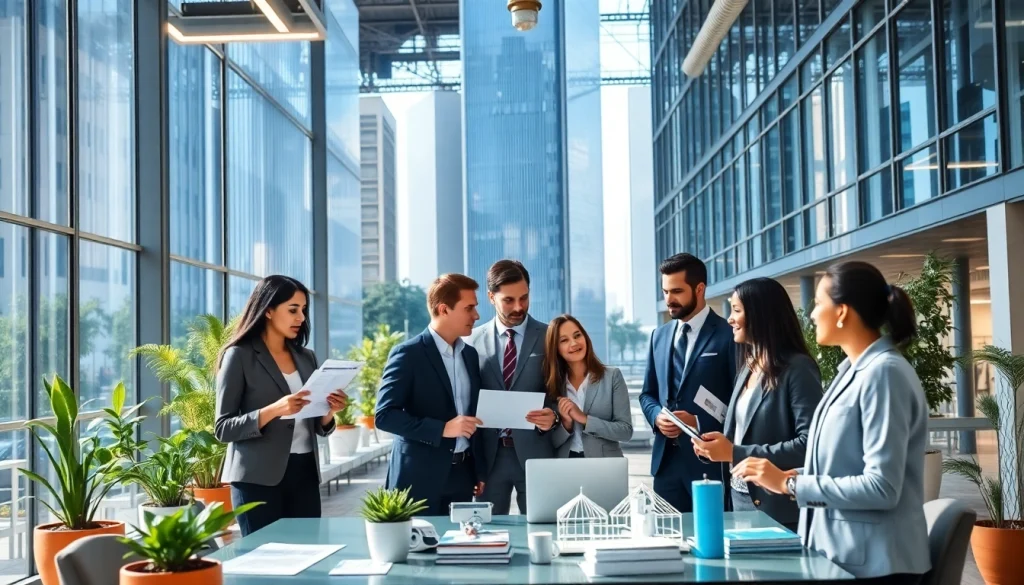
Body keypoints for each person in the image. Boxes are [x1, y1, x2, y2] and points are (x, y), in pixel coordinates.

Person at [732, 261, 930, 584]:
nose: (811, 315)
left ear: (842, 312)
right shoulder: (850, 372)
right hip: (845, 557)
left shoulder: (884, 374)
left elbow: (883, 487)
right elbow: (839, 465)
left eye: (818, 304)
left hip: (878, 566)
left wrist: (791, 485)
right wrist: (787, 475)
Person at [215, 275, 349, 537]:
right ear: (268, 310)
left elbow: (319, 426)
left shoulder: (306, 357)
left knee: (308, 556)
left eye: (303, 310)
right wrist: (275, 410)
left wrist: (329, 412)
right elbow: (223, 428)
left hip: (304, 475)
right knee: (264, 562)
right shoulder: (239, 356)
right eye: (293, 310)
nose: (301, 317)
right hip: (257, 479)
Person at [690, 277, 822, 532]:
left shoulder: (797, 369)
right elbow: (742, 433)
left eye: (737, 310)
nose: (729, 319)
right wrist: (717, 447)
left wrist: (735, 453)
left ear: (761, 316)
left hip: (779, 511)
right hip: (738, 501)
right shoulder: (749, 367)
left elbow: (810, 445)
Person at [375, 273, 485, 516]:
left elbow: (472, 415)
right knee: (418, 551)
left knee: (459, 551)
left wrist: (478, 471)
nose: (476, 316)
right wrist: (442, 429)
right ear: (444, 309)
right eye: (469, 308)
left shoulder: (470, 355)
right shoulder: (408, 354)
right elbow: (384, 415)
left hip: (463, 477)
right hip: (418, 478)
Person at [638, 253, 738, 513]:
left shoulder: (729, 336)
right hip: (665, 466)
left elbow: (741, 403)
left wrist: (698, 423)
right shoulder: (658, 337)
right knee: (667, 543)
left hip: (710, 463)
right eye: (665, 291)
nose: (669, 300)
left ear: (700, 288)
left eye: (677, 291)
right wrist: (657, 416)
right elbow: (647, 395)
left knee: (712, 542)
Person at [465, 260, 559, 515]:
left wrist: (555, 415)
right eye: (509, 300)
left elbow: (561, 392)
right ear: (491, 297)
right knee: (487, 532)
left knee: (543, 529)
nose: (519, 307)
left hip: (537, 453)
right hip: (489, 458)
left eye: (524, 298)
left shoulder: (549, 336)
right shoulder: (470, 341)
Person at [545, 315, 633, 458]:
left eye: (577, 335)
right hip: (566, 465)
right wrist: (566, 424)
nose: (574, 343)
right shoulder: (552, 385)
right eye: (564, 340)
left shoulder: (612, 376)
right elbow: (549, 442)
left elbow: (625, 431)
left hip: (604, 465)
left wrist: (584, 418)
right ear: (555, 348)